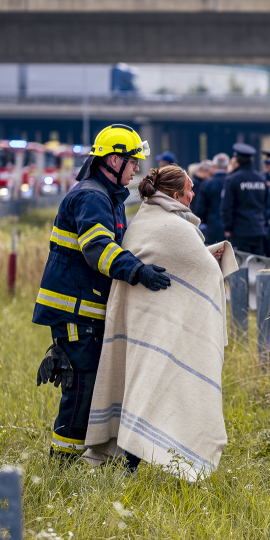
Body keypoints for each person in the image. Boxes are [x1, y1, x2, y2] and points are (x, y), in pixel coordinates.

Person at [85, 165, 237, 478]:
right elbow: (201, 272)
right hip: (157, 327)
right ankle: (129, 468)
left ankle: (128, 468)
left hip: (150, 324)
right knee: (149, 391)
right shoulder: (173, 226)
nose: (193, 194)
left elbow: (172, 264)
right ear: (174, 194)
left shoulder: (148, 218)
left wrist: (206, 255)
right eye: (189, 188)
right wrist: (211, 261)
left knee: (145, 391)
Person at [33, 124, 171, 458]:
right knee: (82, 389)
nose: (137, 167)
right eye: (133, 160)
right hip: (74, 311)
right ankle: (61, 467)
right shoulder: (92, 196)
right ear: (113, 159)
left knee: (90, 387)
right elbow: (99, 250)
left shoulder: (108, 196)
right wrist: (138, 272)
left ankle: (81, 458)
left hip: (86, 309)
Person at [221, 143, 267, 254]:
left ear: (237, 160)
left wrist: (227, 228)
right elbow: (266, 203)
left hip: (240, 230)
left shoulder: (232, 179)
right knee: (258, 264)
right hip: (259, 229)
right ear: (251, 160)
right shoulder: (260, 178)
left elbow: (227, 206)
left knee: (242, 265)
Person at [192, 153, 230, 245]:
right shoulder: (232, 181)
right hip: (231, 229)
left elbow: (200, 209)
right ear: (227, 166)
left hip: (212, 227)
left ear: (214, 166)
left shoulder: (207, 183)